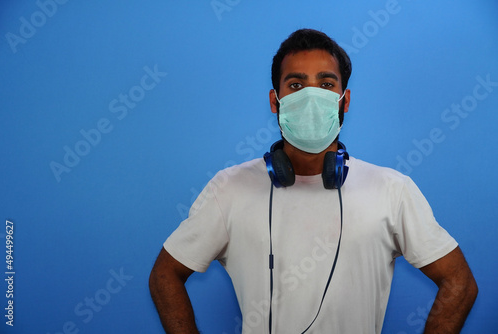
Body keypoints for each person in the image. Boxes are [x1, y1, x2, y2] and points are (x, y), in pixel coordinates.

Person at [149, 28, 478, 333]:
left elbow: (459, 282)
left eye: (325, 84)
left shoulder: (392, 189)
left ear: (344, 101)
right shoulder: (230, 187)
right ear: (275, 102)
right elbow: (165, 275)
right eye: (295, 85)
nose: (310, 96)